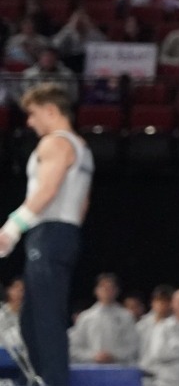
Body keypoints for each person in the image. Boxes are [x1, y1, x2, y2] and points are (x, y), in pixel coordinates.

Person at [0, 85, 94, 386]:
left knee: (44, 318)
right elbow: (83, 203)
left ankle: (53, 382)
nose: (29, 122)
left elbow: (47, 191)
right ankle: (41, 379)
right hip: (64, 232)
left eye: (33, 114)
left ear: (51, 111)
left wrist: (12, 228)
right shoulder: (82, 147)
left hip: (49, 232)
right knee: (31, 319)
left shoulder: (55, 143)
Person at [69, 272, 139, 366]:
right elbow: (74, 348)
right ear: (96, 291)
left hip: (119, 368)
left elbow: (133, 346)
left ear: (116, 290)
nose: (107, 290)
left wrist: (114, 355)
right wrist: (93, 356)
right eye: (103, 287)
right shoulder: (86, 317)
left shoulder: (126, 316)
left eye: (110, 287)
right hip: (91, 368)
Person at [139, 284, 176, 356]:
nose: (162, 304)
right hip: (145, 364)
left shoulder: (178, 324)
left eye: (166, 301)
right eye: (159, 300)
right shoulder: (142, 325)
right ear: (152, 302)